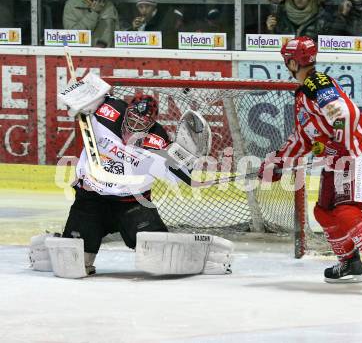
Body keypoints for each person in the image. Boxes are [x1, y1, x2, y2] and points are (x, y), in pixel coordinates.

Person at [258, 36, 362, 297]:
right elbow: (305, 137)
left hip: (354, 152)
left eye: (287, 60)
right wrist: (278, 161)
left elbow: (344, 114)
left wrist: (336, 145)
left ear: (293, 62)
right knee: (325, 212)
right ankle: (350, 263)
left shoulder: (319, 84)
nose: (286, 64)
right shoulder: (305, 93)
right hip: (338, 157)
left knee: (346, 211)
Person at [29, 89, 233, 278]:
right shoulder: (105, 111)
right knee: (73, 265)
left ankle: (201, 254)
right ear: (126, 112)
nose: (134, 126)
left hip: (132, 205)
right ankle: (61, 243)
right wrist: (81, 94)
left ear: (152, 123)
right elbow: (78, 93)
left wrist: (191, 158)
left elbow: (187, 176)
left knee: (159, 253)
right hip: (90, 200)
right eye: (132, 118)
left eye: (142, 122)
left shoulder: (159, 141)